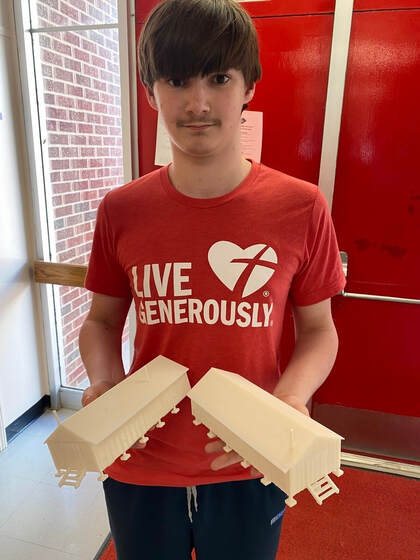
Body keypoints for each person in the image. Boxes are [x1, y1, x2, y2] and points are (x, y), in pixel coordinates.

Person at [79, 0, 346, 558]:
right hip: (139, 457)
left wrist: (291, 398)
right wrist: (104, 382)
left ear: (249, 86)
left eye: (219, 78)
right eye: (176, 80)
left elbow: (319, 331)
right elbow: (103, 321)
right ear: (150, 91)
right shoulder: (121, 210)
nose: (198, 103)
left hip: (250, 457)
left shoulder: (301, 207)